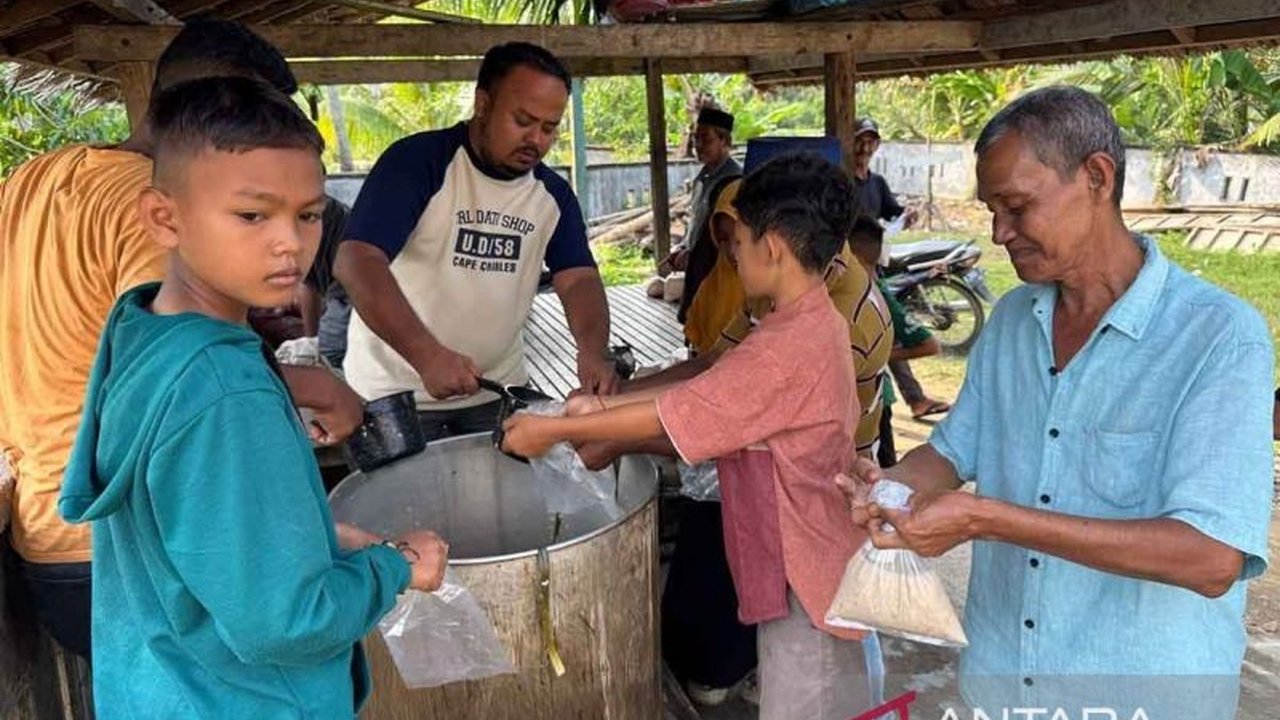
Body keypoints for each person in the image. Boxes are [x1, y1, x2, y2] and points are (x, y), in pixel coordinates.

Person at [842, 86, 1273, 719]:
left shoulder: (1217, 337)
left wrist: (986, 518)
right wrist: (889, 486)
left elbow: (1211, 558)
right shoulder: (1016, 319)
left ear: (1097, 177)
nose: (998, 232)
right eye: (992, 209)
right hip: (1000, 685)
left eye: (1016, 206)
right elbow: (952, 452)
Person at [58, 76, 448, 718]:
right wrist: (399, 568)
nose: (289, 243)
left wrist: (312, 536)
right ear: (164, 217)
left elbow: (186, 526)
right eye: (252, 215)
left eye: (309, 214)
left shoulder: (143, 330)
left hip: (162, 685)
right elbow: (286, 624)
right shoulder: (225, 392)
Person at [0, 18, 362, 660]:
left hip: (49, 533)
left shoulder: (33, 181)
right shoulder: (154, 206)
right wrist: (313, 387)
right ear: (211, 110)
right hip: (139, 542)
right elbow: (186, 359)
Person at [503, 153, 881, 720]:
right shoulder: (803, 318)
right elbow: (715, 387)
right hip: (803, 555)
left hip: (811, 578)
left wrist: (558, 427)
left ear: (772, 247)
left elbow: (680, 415)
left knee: (807, 701)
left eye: (740, 242)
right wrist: (600, 409)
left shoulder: (787, 347)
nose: (732, 253)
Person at [335, 42, 616, 442]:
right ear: (482, 104)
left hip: (496, 395)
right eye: (523, 120)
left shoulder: (551, 195)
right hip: (394, 399)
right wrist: (426, 355)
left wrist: (592, 349)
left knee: (501, 505)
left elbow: (578, 278)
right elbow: (357, 260)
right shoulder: (419, 163)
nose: (535, 139)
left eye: (549, 128)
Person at [851, 117, 951, 420]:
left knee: (884, 331)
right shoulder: (842, 182)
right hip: (851, 264)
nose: (866, 147)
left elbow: (893, 212)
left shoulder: (876, 183)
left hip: (870, 264)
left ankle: (911, 396)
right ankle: (913, 397)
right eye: (861, 140)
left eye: (871, 141)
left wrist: (907, 215)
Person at [663, 106, 743, 325]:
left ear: (724, 141)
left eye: (705, 139)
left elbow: (729, 238)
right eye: (696, 139)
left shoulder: (734, 181)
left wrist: (695, 254)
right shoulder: (703, 179)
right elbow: (698, 225)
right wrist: (683, 248)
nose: (697, 146)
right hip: (699, 266)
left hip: (719, 271)